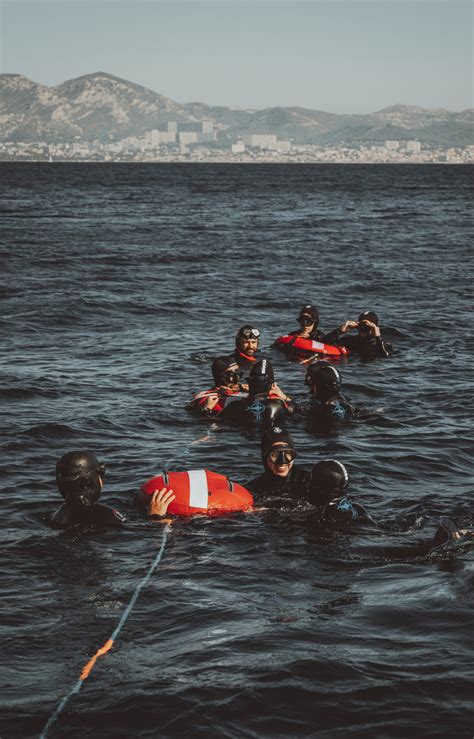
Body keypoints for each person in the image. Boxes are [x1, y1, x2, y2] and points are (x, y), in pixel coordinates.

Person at [51, 451, 174, 529]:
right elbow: (142, 532)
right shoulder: (106, 515)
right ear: (91, 480)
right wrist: (155, 517)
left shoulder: (57, 516)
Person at [219, 359, 293, 427]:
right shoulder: (278, 404)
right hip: (269, 437)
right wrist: (285, 397)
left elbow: (214, 421)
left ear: (250, 383)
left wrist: (207, 409)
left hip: (245, 438)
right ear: (272, 385)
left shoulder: (234, 406)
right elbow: (299, 412)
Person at [303, 360, 356, 427]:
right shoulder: (343, 403)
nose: (310, 389)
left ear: (321, 386)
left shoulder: (327, 410)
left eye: (313, 385)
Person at [323, 310, 393, 358]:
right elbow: (324, 343)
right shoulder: (350, 340)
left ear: (374, 328)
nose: (363, 329)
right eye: (361, 325)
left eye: (367, 326)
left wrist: (378, 337)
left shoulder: (382, 344)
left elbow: (386, 357)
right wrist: (339, 331)